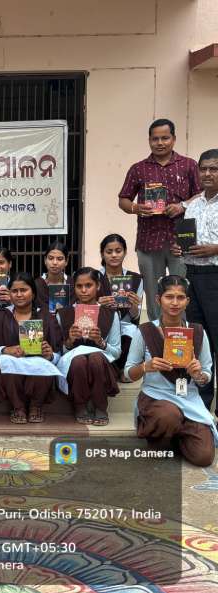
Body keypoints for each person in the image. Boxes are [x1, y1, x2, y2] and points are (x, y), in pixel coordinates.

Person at [124, 275, 216, 467]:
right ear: (158, 299)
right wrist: (146, 367)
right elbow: (128, 372)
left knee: (203, 457)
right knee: (168, 415)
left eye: (180, 297)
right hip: (156, 398)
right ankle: (162, 438)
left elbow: (207, 373)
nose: (175, 303)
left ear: (187, 301)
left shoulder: (198, 331)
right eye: (169, 297)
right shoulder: (145, 331)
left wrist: (198, 374)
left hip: (189, 400)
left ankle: (177, 435)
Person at [118, 118, 200, 320]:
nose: (160, 143)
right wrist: (136, 208)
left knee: (181, 290)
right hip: (148, 240)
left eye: (165, 138)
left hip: (181, 241)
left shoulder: (189, 165)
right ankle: (155, 331)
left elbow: (201, 195)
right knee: (153, 291)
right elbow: (123, 200)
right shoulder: (138, 168)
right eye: (155, 139)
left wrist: (182, 205)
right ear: (149, 140)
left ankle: (181, 333)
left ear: (174, 139)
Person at [171, 148, 218, 416]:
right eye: (204, 169)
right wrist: (180, 248)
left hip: (216, 277)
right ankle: (200, 406)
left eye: (214, 169)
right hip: (193, 277)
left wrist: (215, 249)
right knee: (198, 341)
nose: (207, 173)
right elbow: (187, 239)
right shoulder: (194, 205)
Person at [0, 272, 61, 424]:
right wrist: (5, 350)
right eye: (15, 291)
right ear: (10, 294)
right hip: (12, 365)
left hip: (38, 364)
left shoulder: (46, 316)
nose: (19, 294)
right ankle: (18, 406)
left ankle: (36, 406)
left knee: (42, 363)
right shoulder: (1, 315)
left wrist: (50, 355)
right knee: (7, 361)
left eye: (24, 290)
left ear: (33, 294)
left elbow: (58, 352)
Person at [56, 267, 121, 425]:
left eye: (89, 285)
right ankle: (80, 405)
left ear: (98, 286)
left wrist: (101, 342)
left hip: (101, 363)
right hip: (73, 364)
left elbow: (117, 352)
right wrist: (69, 341)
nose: (84, 290)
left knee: (95, 358)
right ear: (74, 288)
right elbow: (57, 352)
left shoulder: (110, 314)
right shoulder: (63, 314)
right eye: (79, 286)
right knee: (79, 360)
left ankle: (100, 406)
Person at [97, 234, 143, 378]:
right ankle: (110, 371)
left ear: (125, 252)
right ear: (102, 254)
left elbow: (135, 317)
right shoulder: (94, 276)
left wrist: (133, 305)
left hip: (124, 324)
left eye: (118, 251)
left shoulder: (136, 278)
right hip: (101, 324)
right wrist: (98, 304)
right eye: (109, 252)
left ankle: (120, 369)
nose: (114, 255)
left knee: (132, 333)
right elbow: (83, 306)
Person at [35, 241, 71, 311]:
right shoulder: (36, 285)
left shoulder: (72, 284)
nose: (55, 263)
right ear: (45, 260)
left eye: (59, 259)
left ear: (66, 261)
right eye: (51, 258)